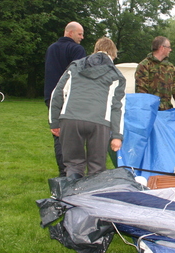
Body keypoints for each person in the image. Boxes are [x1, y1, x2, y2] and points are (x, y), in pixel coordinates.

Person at [48, 37, 126, 179]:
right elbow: (118, 108)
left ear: (95, 50)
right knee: (97, 168)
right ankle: (90, 198)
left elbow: (57, 94)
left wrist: (54, 122)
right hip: (99, 122)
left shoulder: (75, 66)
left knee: (73, 164)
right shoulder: (117, 75)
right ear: (113, 54)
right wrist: (117, 136)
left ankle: (71, 196)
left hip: (70, 119)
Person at [44, 21, 87, 177]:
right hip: (70, 98)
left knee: (58, 133)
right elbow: (81, 75)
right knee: (75, 137)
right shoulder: (77, 50)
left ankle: (63, 172)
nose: (82, 37)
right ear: (70, 33)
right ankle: (73, 173)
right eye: (80, 34)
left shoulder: (51, 49)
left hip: (52, 98)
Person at [135, 36, 175, 110]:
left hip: (167, 112)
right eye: (169, 47)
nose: (170, 50)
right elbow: (141, 91)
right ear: (162, 47)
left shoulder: (170, 67)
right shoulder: (144, 65)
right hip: (151, 111)